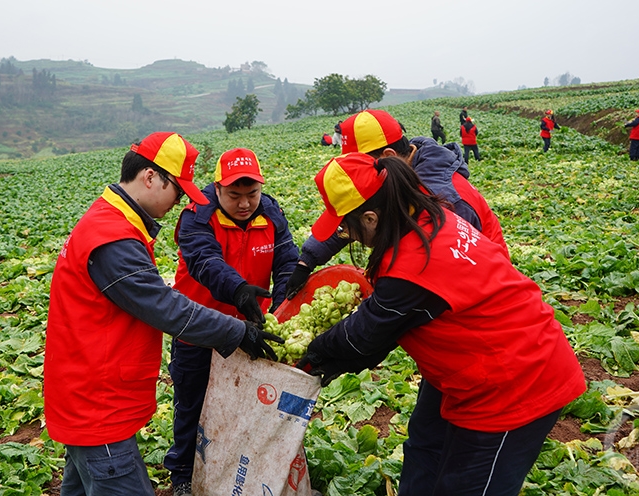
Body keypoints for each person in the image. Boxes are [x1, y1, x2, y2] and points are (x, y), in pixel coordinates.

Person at [295, 152, 587, 496]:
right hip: (487, 363)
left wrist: (313, 353)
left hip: (516, 384)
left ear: (371, 219)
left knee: (465, 486)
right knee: (429, 454)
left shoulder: (412, 264)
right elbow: (386, 327)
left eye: (347, 227)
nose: (349, 236)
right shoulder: (428, 216)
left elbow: (364, 335)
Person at [43, 132, 283, 496]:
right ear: (151, 177)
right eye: (178, 189)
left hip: (88, 396)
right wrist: (238, 332)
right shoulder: (113, 239)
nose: (181, 200)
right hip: (98, 405)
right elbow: (167, 308)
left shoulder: (109, 222)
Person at [164, 147, 299, 496]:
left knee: (249, 403)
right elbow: (204, 261)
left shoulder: (270, 212)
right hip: (200, 327)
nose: (244, 204)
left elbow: (286, 260)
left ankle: (238, 464)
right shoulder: (198, 215)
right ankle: (182, 474)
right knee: (192, 404)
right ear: (218, 189)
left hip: (251, 329)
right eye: (234, 196)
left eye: (251, 194)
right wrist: (239, 290)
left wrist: (280, 305)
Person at [287, 108, 509, 299]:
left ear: (389, 154)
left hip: (482, 297)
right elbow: (353, 214)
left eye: (364, 165)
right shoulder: (402, 174)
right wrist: (307, 260)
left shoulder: (445, 198)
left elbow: (453, 279)